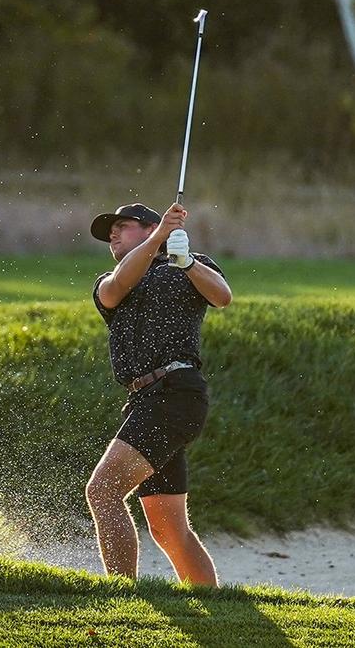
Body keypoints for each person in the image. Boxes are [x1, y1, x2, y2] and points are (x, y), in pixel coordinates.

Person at [84, 201, 231, 586]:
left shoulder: (187, 265)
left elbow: (222, 296)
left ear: (150, 228)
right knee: (168, 528)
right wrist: (158, 240)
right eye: (110, 232)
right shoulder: (112, 279)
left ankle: (122, 595)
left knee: (103, 490)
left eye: (123, 226)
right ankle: (212, 601)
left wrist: (187, 262)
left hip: (175, 392)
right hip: (143, 401)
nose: (113, 234)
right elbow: (116, 289)